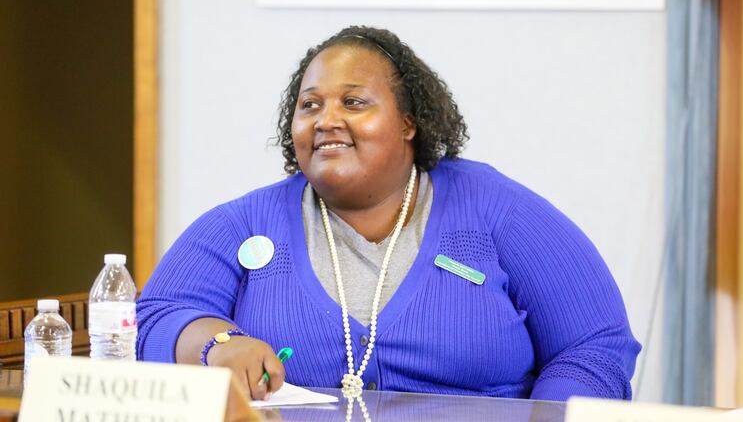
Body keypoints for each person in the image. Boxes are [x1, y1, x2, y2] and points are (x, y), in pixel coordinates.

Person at [136, 25, 641, 403]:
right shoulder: (242, 224)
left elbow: (593, 345)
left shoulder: (497, 211)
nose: (327, 120)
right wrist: (217, 345)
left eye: (353, 102)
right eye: (310, 106)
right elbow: (156, 317)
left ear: (407, 123)